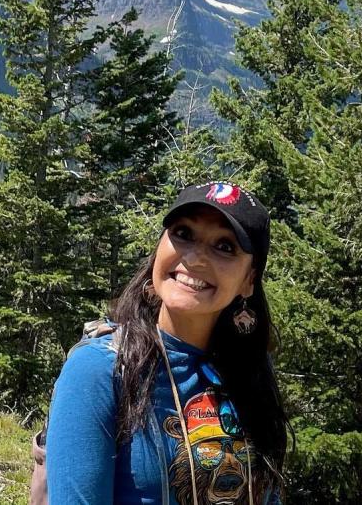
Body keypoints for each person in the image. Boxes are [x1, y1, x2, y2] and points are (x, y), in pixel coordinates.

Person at [46, 181, 289, 505]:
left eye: (225, 246)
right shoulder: (100, 372)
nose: (196, 258)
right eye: (183, 233)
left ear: (249, 279)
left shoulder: (250, 373)